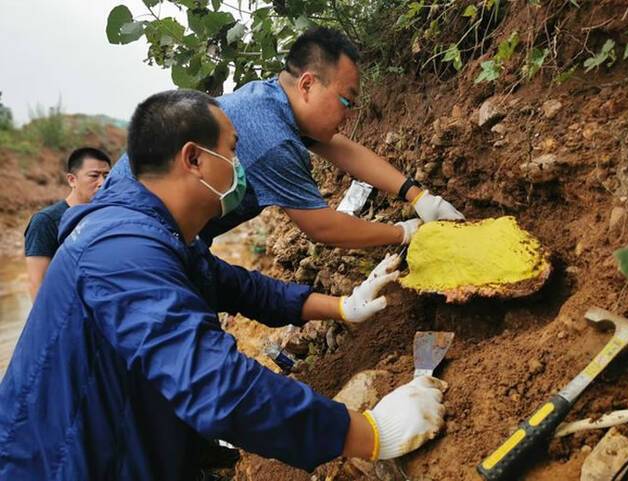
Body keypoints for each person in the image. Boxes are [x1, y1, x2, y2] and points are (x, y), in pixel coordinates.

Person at [0, 90, 446, 480]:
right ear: (193, 159)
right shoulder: (121, 251)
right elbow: (215, 384)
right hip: (69, 463)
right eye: (232, 152)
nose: (239, 166)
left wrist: (343, 305)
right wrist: (368, 434)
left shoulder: (155, 232)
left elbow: (237, 287)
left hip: (120, 441)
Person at [106, 27, 463, 249]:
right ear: (307, 83)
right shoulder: (272, 138)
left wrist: (417, 195)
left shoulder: (272, 98)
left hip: (145, 224)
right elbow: (322, 226)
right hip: (135, 232)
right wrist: (405, 232)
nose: (350, 114)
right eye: (347, 101)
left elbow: (343, 149)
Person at [23, 147, 111, 299]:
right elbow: (36, 283)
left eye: (106, 176)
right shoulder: (46, 221)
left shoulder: (106, 216)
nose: (102, 183)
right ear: (72, 180)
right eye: (94, 176)